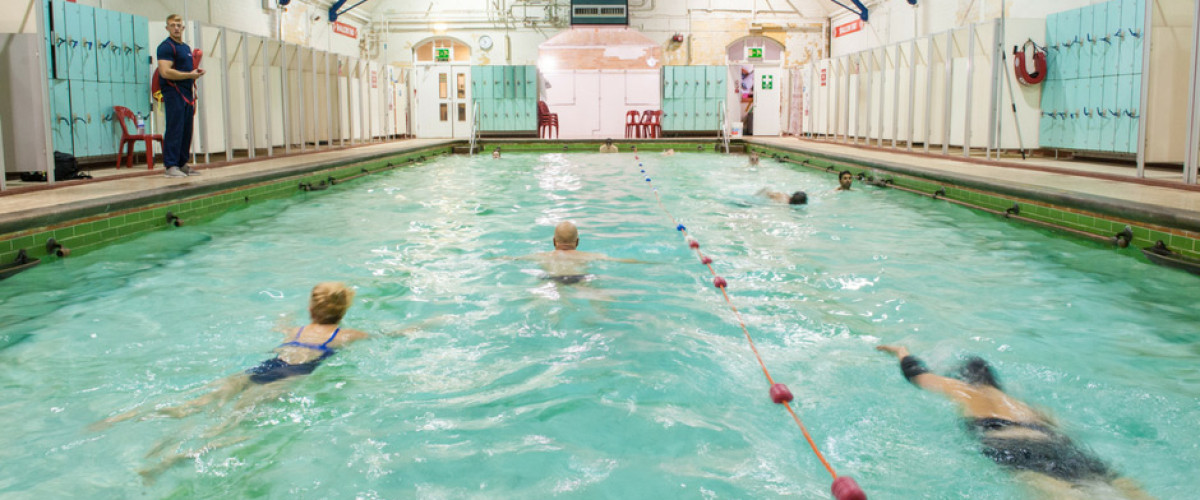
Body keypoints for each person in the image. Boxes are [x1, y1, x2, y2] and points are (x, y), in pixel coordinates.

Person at [94, 282, 369, 479]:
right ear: (343, 311)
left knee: (197, 401)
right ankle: (168, 463)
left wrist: (283, 315)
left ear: (311, 309)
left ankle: (125, 417)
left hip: (261, 368)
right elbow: (386, 335)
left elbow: (280, 324)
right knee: (232, 427)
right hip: (287, 377)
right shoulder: (346, 335)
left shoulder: (296, 329)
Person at [876, 345, 1155, 500]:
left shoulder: (963, 390)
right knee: (1128, 490)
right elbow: (1067, 428)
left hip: (1016, 448)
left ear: (965, 377)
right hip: (1060, 446)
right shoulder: (1024, 405)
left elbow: (917, 374)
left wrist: (901, 350)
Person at [500, 221, 642, 284]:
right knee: (598, 297)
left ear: (554, 241)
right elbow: (618, 261)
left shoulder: (542, 256)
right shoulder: (588, 256)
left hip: (552, 278)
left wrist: (493, 258)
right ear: (577, 242)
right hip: (580, 278)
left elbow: (512, 259)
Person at [157, 15, 204, 178]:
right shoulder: (165, 47)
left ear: (183, 28)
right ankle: (170, 165)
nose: (176, 28)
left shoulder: (185, 48)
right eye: (172, 25)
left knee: (186, 129)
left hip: (187, 93)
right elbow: (165, 71)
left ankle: (182, 163)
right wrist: (188, 75)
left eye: (179, 25)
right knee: (174, 128)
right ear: (167, 28)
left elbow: (187, 70)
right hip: (173, 92)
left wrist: (195, 74)